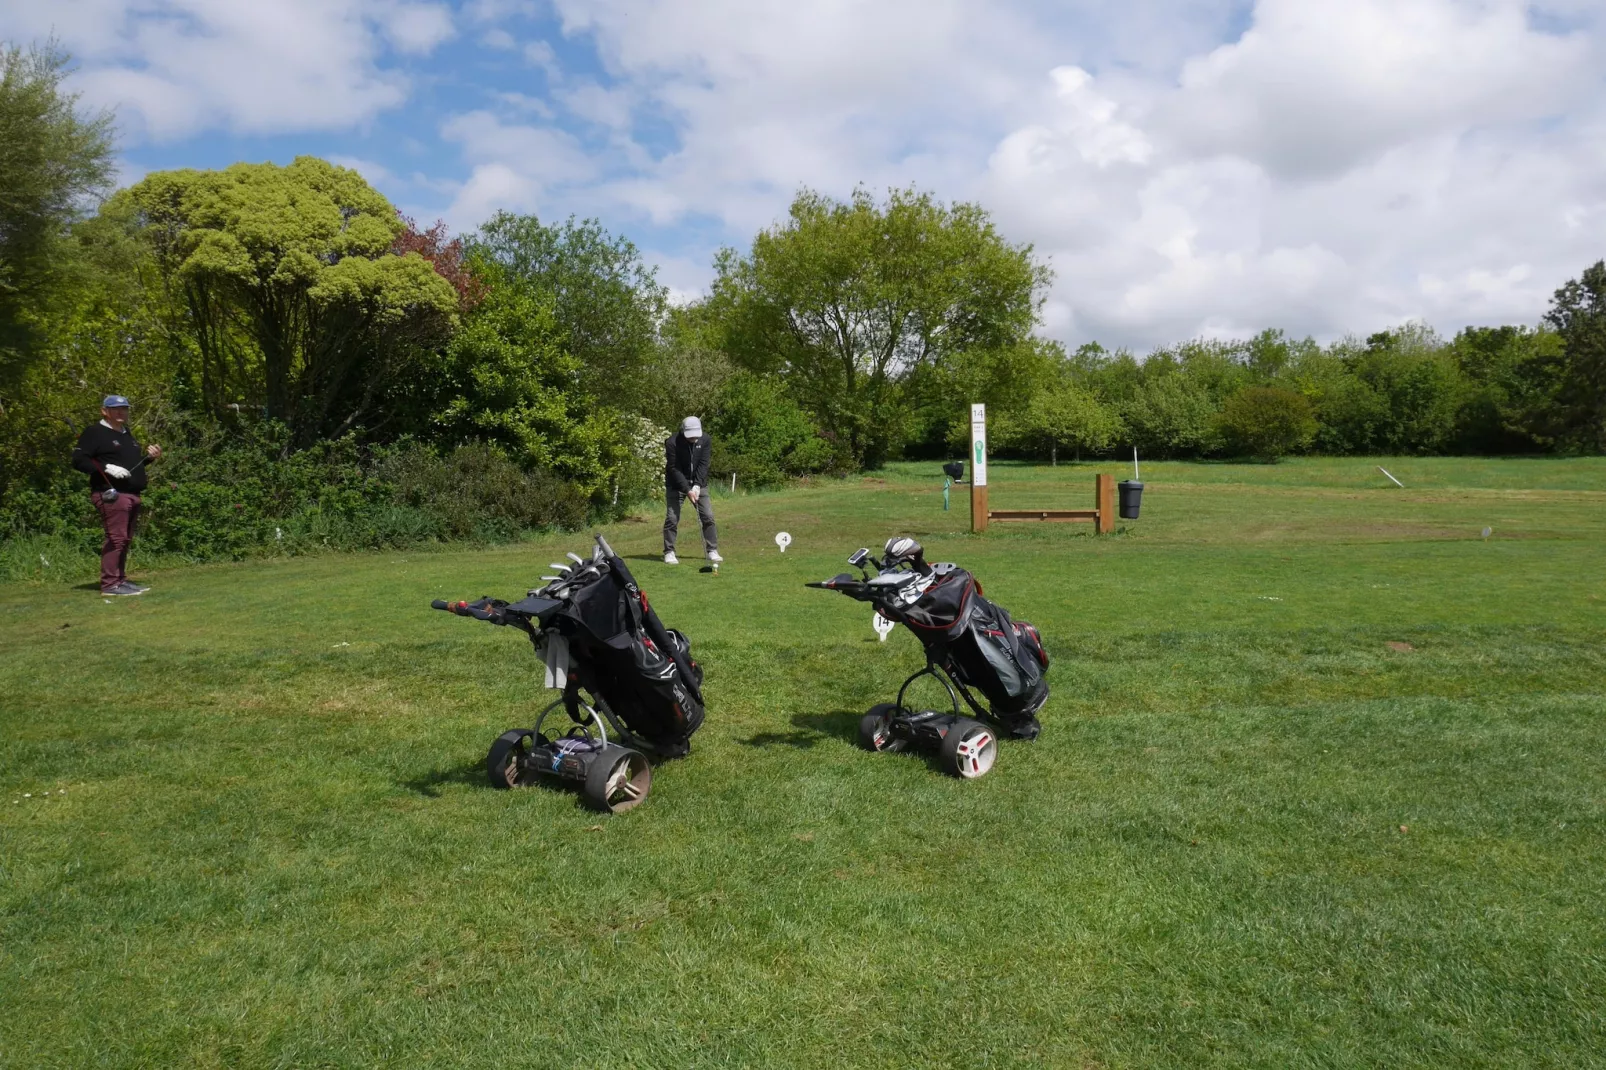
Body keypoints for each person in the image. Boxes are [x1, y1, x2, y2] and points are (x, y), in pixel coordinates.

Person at [70, 395, 161, 596]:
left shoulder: (126, 433)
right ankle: (110, 584)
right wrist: (107, 468)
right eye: (116, 409)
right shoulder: (95, 432)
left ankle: (120, 580)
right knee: (117, 538)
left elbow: (130, 466)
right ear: (105, 411)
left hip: (132, 493)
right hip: (111, 494)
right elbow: (79, 460)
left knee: (125, 539)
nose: (121, 412)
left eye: (124, 409)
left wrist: (149, 458)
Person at [662, 416, 721, 565]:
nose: (694, 438)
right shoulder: (672, 442)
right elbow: (674, 468)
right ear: (683, 430)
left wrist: (696, 485)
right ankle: (669, 552)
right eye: (691, 435)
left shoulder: (705, 439)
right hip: (676, 485)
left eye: (696, 435)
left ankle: (712, 550)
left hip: (699, 484)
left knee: (708, 516)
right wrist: (687, 489)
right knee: (672, 519)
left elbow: (703, 464)